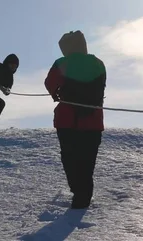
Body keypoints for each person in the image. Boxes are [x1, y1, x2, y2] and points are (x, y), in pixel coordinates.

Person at [44, 30, 106, 209]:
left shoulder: (62, 63)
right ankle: (84, 196)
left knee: (70, 158)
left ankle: (78, 193)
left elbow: (50, 83)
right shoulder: (98, 63)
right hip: (93, 122)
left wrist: (56, 93)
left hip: (67, 121)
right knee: (87, 161)